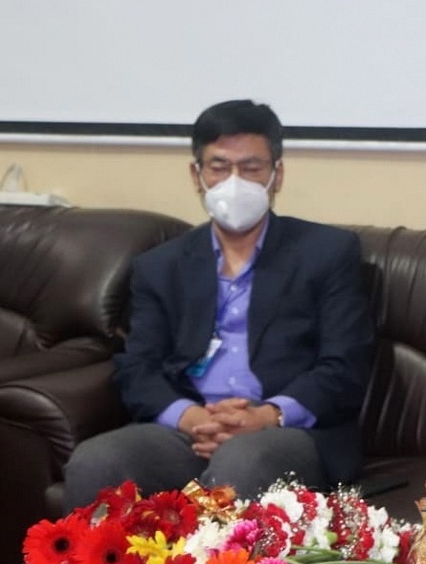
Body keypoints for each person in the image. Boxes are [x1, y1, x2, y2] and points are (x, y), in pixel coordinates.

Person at [64, 99, 374, 510]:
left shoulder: (327, 252)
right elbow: (138, 368)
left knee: (242, 462)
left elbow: (344, 366)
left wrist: (265, 416)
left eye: (251, 168)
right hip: (190, 428)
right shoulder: (161, 266)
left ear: (277, 175)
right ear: (197, 175)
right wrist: (191, 418)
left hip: (286, 432)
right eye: (219, 167)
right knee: (96, 461)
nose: (234, 182)